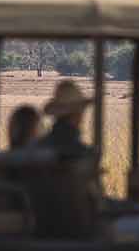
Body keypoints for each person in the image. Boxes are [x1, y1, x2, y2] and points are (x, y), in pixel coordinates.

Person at [27, 80, 102, 239]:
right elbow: (95, 202)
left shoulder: (35, 149)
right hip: (79, 234)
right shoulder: (84, 154)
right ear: (78, 114)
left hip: (41, 231)